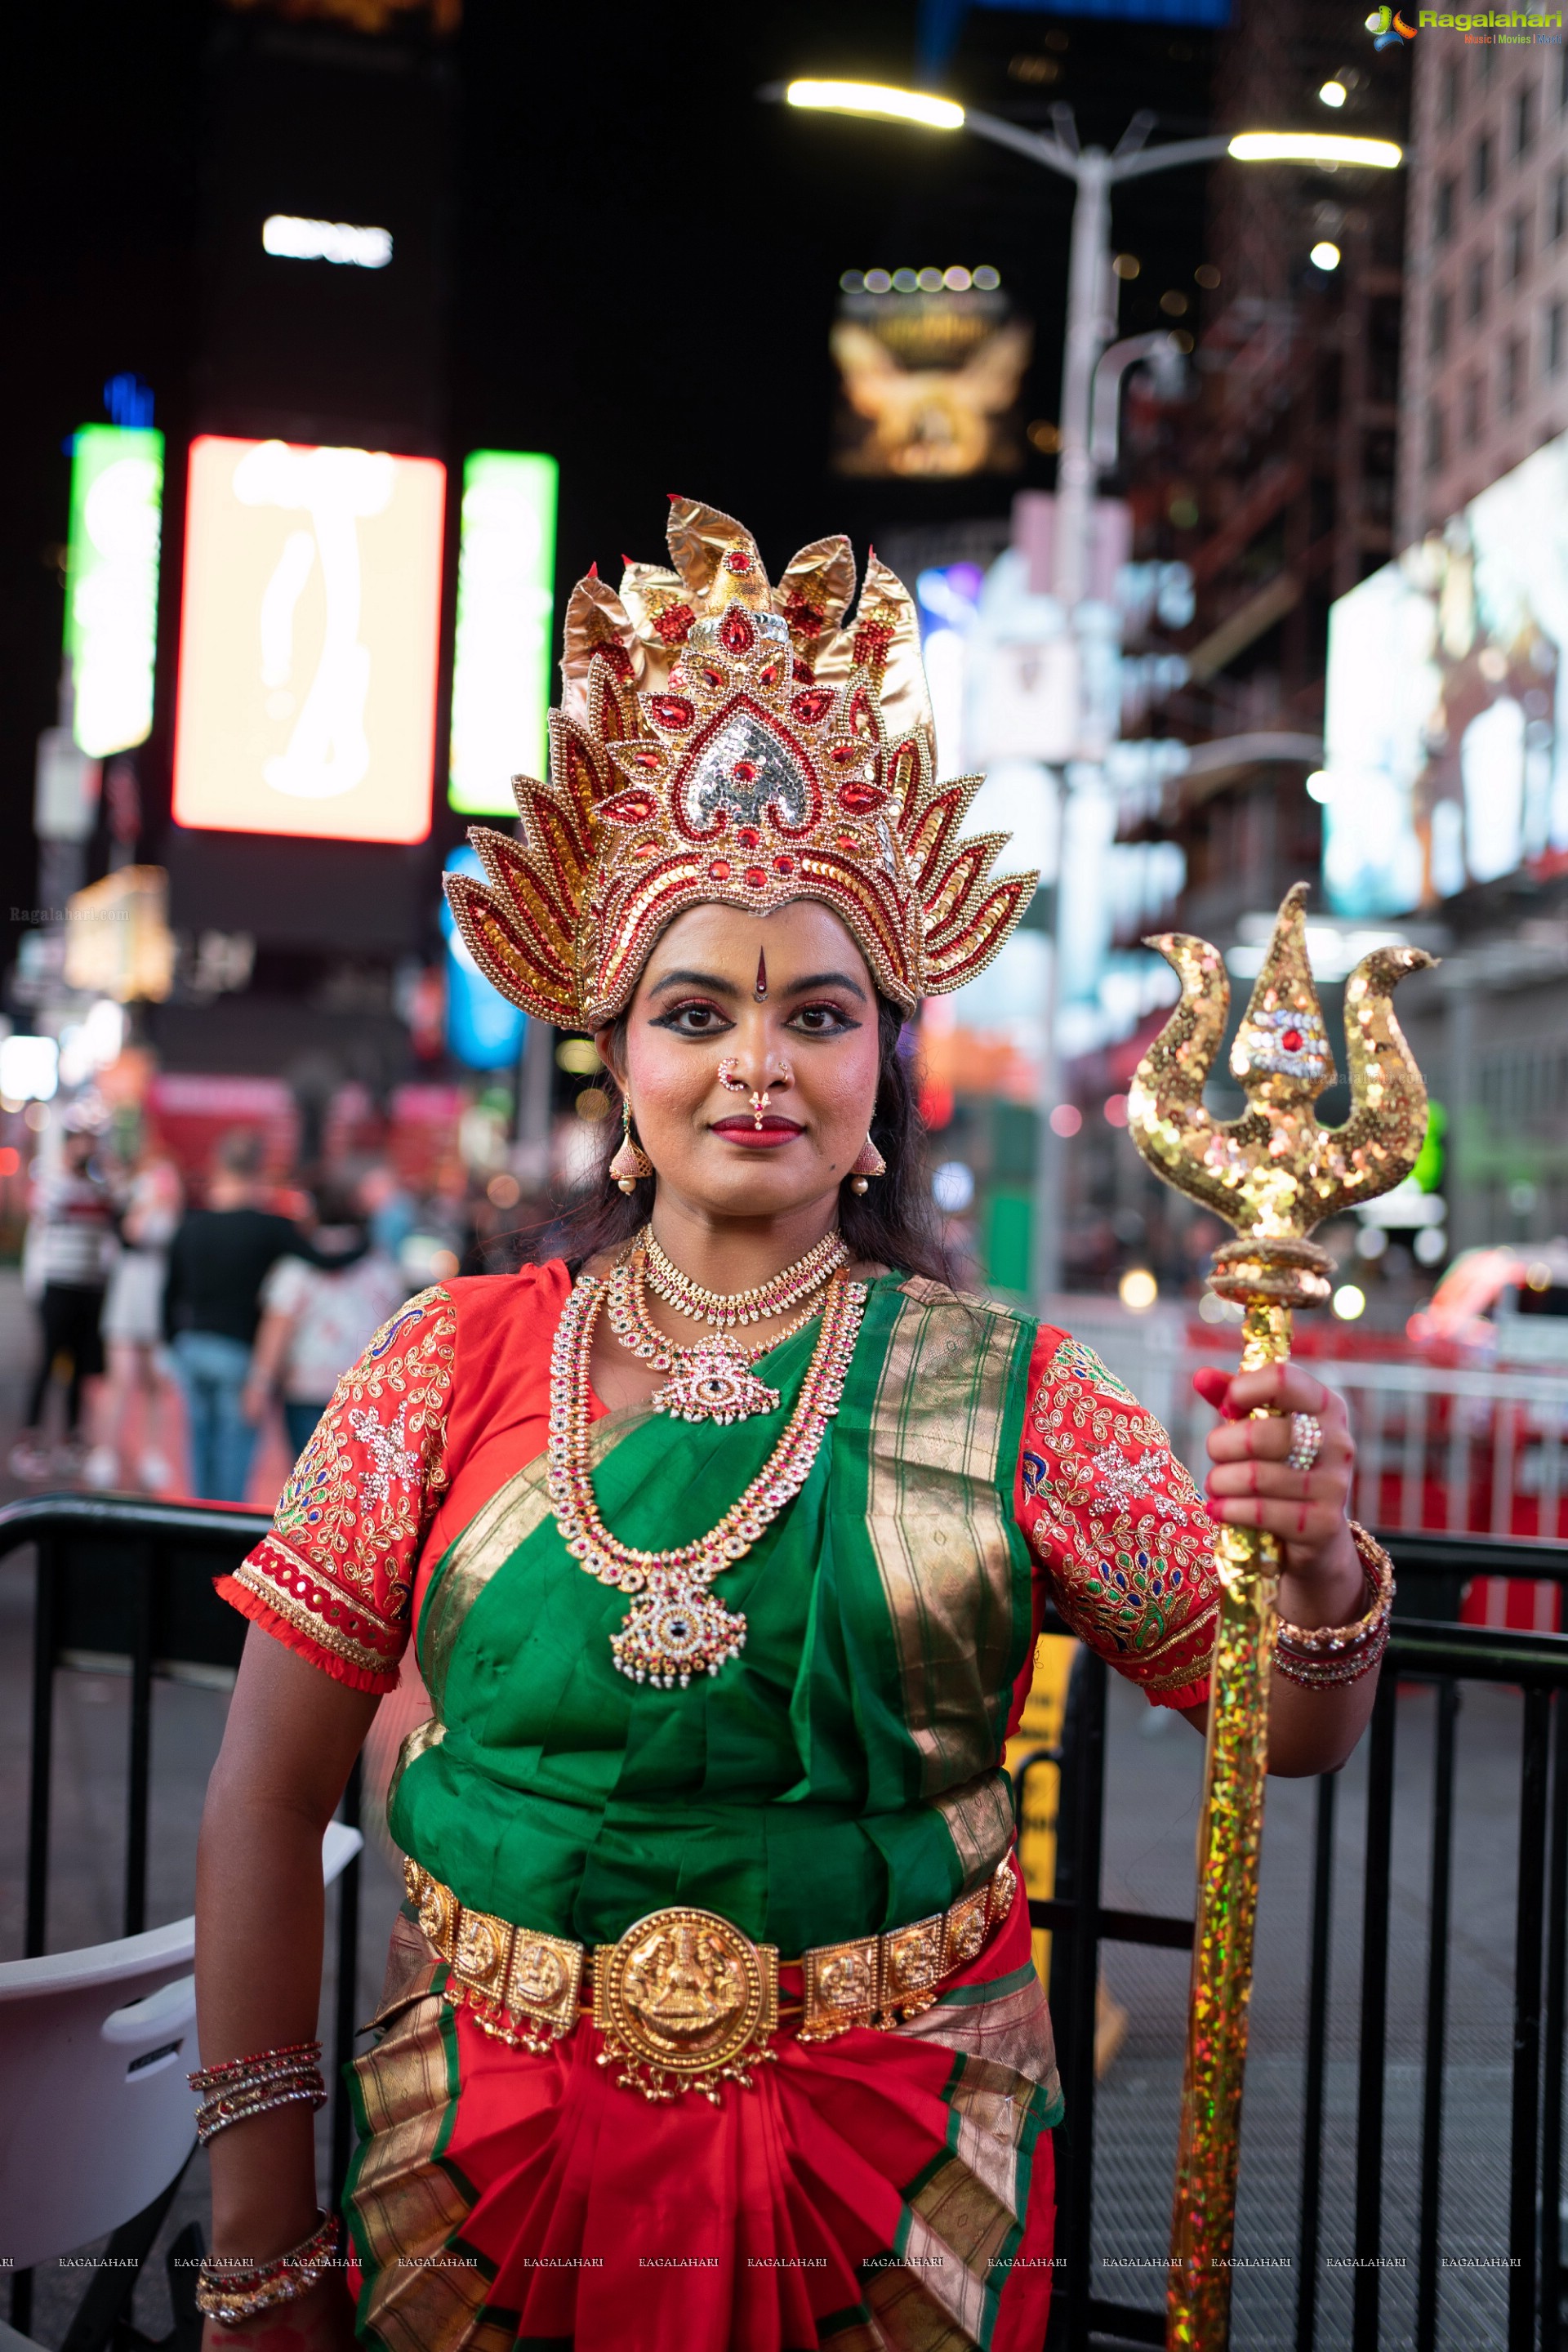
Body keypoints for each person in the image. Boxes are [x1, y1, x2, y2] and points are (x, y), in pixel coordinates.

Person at [193, 503, 1390, 2352]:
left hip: (897, 2182)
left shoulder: (1021, 1394)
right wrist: (257, 2243)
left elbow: (1284, 1735)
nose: (756, 1059)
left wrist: (1308, 1559)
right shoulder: (444, 1359)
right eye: (698, 1010)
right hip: (482, 2175)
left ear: (877, 1068)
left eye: (815, 1011)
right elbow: (268, 1800)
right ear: (618, 1053)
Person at [164, 1130, 314, 1503]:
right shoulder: (272, 1228)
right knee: (234, 1456)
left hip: (193, 1347)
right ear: (258, 1172)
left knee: (199, 1446)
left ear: (219, 1168)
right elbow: (324, 1260)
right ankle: (219, 1538)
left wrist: (170, 1344)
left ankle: (195, 1528)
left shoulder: (191, 1225)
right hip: (239, 1353)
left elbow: (168, 1294)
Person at [243, 1182, 408, 1459]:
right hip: (361, 1391)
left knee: (306, 1479)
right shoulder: (380, 1267)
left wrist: (259, 1384)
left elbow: (277, 1326)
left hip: (303, 1387)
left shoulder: (296, 1268)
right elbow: (398, 1331)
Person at [11, 1120, 116, 1481]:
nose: (87, 1149)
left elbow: (113, 1221)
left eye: (91, 1141)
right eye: (80, 1142)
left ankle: (73, 1439)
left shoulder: (101, 1186)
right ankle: (31, 1439)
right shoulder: (54, 1182)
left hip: (89, 1287)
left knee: (79, 1366)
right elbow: (44, 1211)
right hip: (57, 1284)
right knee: (47, 1362)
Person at [86, 1149, 184, 1491]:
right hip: (129, 1297)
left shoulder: (175, 1212)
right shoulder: (135, 1203)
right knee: (121, 1379)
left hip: (159, 1299)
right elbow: (132, 1232)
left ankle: (152, 1455)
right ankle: (104, 1453)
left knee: (156, 1382)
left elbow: (176, 1245)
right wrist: (148, 1199)